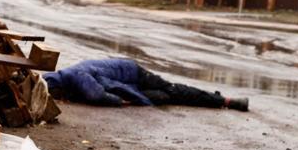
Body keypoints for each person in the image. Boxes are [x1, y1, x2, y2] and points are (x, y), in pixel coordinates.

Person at [42, 58, 250, 111]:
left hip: (134, 74)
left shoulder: (74, 74)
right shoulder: (69, 77)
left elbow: (97, 95)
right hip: (131, 84)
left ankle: (225, 100)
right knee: (169, 97)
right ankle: (214, 99)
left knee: (173, 90)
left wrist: (119, 101)